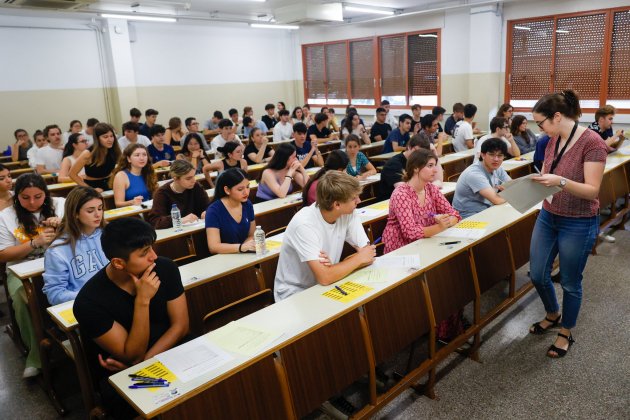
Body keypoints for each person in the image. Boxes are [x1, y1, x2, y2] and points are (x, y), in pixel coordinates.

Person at [73, 217, 188, 416]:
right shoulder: (88, 302)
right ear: (118, 263)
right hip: (122, 375)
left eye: (152, 247)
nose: (154, 256)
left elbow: (181, 326)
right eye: (144, 253)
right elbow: (132, 353)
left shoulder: (165, 268)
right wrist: (142, 300)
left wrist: (143, 361)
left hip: (166, 351)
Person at [529, 90, 607, 358]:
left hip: (579, 221)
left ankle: (565, 331)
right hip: (549, 215)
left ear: (557, 116)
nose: (539, 128)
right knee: (538, 273)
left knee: (571, 282)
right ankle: (552, 312)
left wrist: (559, 182)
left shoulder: (592, 143)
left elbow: (592, 191)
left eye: (541, 123)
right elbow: (549, 174)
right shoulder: (552, 139)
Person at [0, 173, 65, 378]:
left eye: (38, 196)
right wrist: (34, 243)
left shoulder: (59, 204)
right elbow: (3, 255)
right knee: (22, 298)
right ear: (16, 196)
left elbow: (81, 233)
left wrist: (62, 225)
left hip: (58, 262)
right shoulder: (6, 216)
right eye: (25, 197)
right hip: (21, 268)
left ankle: (69, 333)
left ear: (45, 193)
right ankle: (36, 356)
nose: (32, 202)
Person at [274, 171, 375, 301]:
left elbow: (368, 256)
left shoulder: (349, 212)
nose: (359, 201)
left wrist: (335, 268)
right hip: (295, 292)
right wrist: (357, 259)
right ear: (337, 204)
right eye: (354, 198)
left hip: (328, 285)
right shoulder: (304, 224)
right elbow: (325, 277)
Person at [383, 149, 461, 252]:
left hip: (425, 241)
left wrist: (445, 221)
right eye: (430, 166)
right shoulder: (401, 194)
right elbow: (410, 232)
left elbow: (454, 214)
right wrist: (440, 227)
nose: (435, 170)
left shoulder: (430, 188)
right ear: (415, 168)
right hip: (401, 248)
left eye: (434, 165)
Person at [43, 187, 108, 305]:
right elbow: (55, 295)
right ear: (75, 213)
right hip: (86, 305)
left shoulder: (109, 234)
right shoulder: (57, 250)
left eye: (100, 208)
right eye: (90, 211)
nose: (98, 214)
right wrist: (92, 295)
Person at [452, 138, 511, 218]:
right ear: (482, 155)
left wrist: (510, 192)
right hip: (468, 217)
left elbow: (513, 186)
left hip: (486, 209)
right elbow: (497, 200)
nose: (496, 159)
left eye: (500, 155)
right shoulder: (474, 174)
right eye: (492, 155)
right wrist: (509, 195)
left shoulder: (498, 169)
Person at [146, 160, 209, 229]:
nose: (194, 180)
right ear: (176, 179)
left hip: (197, 228)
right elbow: (156, 221)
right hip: (175, 234)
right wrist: (180, 220)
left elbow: (208, 206)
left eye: (194, 176)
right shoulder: (162, 193)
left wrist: (207, 212)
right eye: (188, 178)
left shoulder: (196, 187)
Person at [205, 168, 256, 254]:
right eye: (240, 189)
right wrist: (241, 247)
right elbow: (213, 246)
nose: (246, 192)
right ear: (227, 190)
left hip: (244, 254)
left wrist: (246, 246)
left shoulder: (247, 204)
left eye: (248, 187)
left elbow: (252, 235)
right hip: (225, 258)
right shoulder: (214, 211)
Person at [69, 123, 122, 192]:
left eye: (112, 136)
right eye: (105, 137)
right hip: (92, 186)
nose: (110, 139)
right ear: (97, 138)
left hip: (109, 183)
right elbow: (72, 174)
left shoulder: (114, 149)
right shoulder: (88, 153)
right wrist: (91, 190)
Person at [379, 136, 424, 200]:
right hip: (390, 203)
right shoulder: (393, 164)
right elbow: (404, 190)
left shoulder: (421, 160)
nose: (419, 155)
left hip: (412, 199)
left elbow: (438, 181)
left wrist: (434, 152)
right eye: (417, 151)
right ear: (409, 147)